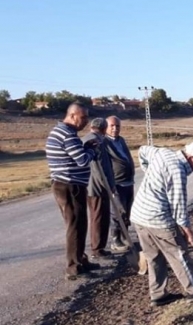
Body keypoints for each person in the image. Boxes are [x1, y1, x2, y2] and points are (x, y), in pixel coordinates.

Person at [130, 142, 193, 306]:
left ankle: (158, 294)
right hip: (157, 219)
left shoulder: (163, 153)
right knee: (179, 253)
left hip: (139, 216)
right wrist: (187, 230)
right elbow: (178, 205)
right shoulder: (177, 170)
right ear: (191, 157)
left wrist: (150, 173)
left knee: (154, 257)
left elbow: (143, 150)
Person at [45, 103, 101, 280]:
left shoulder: (61, 132)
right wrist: (92, 150)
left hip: (68, 184)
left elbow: (75, 155)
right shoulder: (68, 135)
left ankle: (80, 259)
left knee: (79, 224)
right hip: (69, 185)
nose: (85, 122)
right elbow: (83, 160)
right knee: (75, 226)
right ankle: (73, 266)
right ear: (72, 115)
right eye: (83, 117)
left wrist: (86, 147)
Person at [82, 118, 117, 261]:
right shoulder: (96, 141)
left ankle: (99, 248)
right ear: (103, 129)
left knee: (99, 217)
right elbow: (100, 166)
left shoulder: (86, 138)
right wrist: (108, 185)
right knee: (99, 217)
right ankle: (97, 249)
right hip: (97, 187)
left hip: (91, 185)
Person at [105, 116, 135, 252]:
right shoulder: (104, 142)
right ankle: (115, 239)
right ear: (106, 127)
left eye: (117, 126)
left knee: (128, 210)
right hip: (116, 182)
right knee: (118, 212)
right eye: (112, 126)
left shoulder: (121, 140)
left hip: (128, 181)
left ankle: (125, 236)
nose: (115, 128)